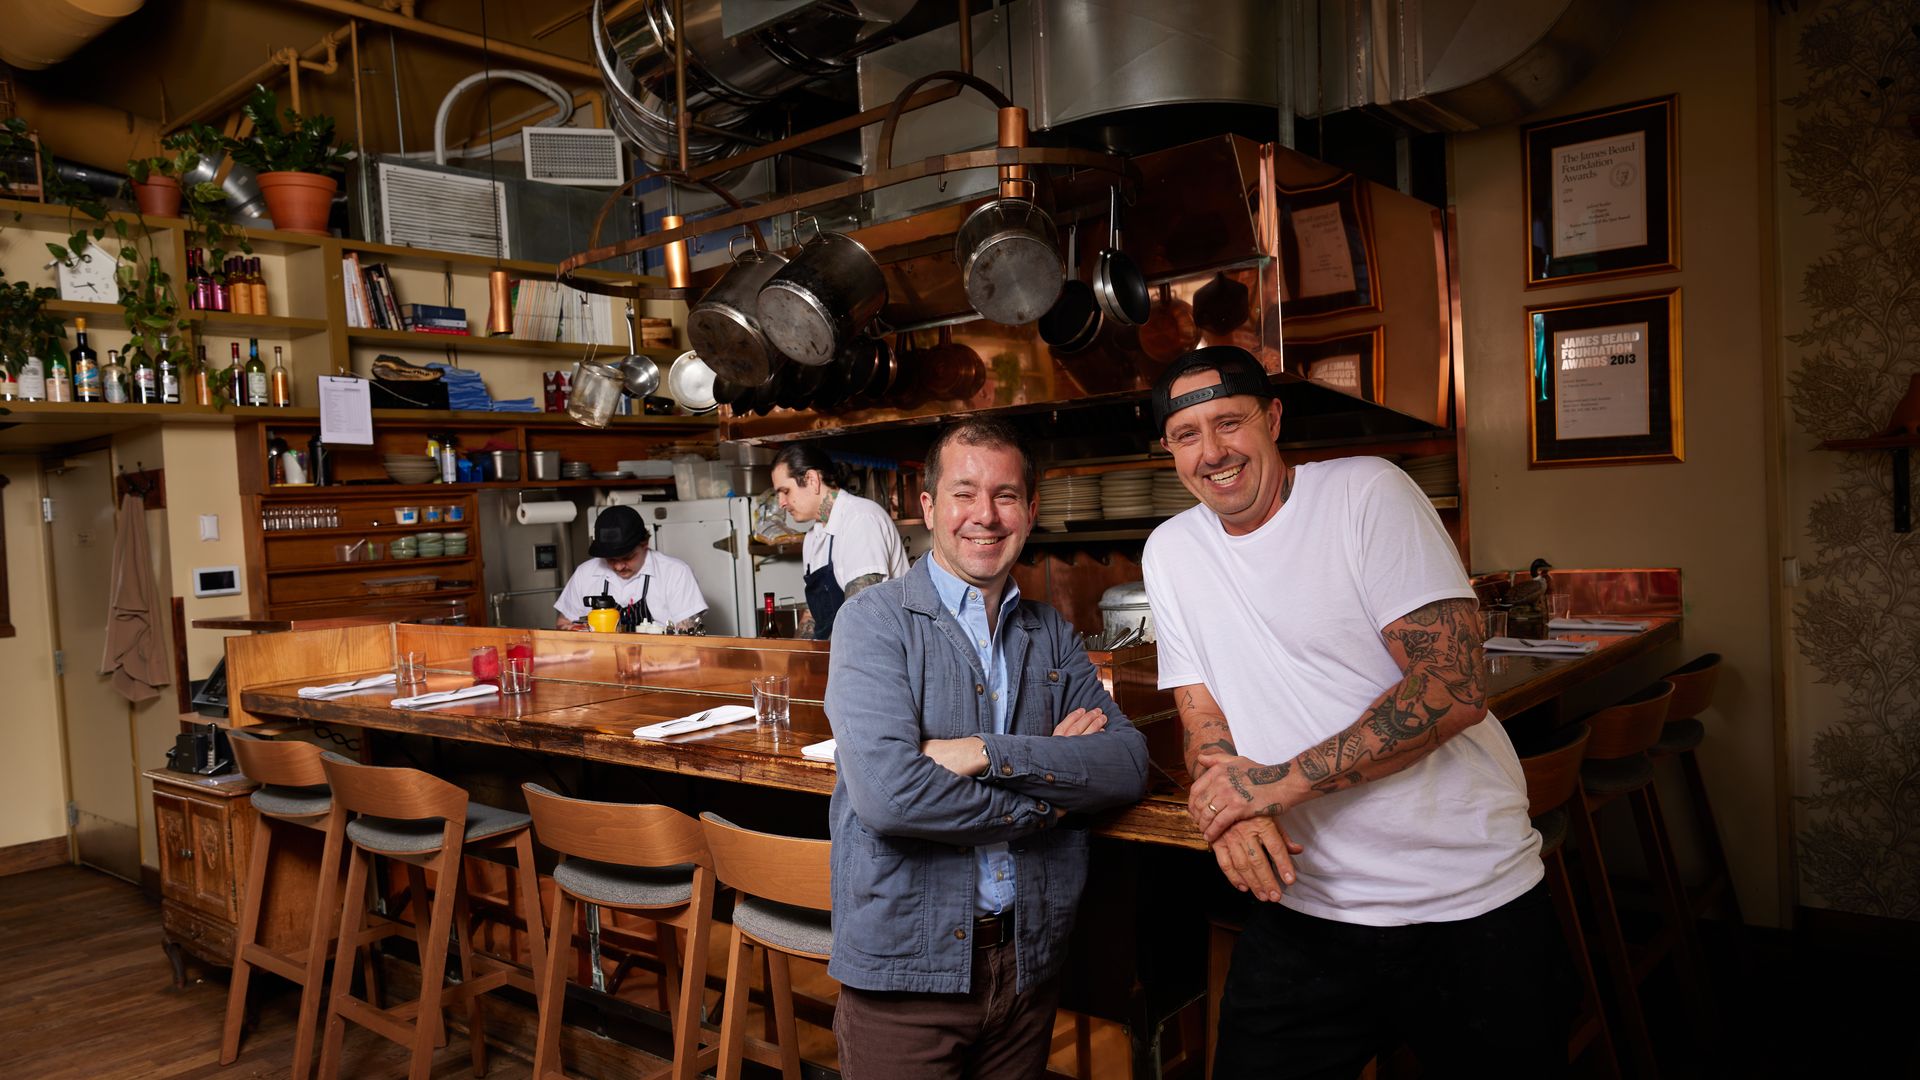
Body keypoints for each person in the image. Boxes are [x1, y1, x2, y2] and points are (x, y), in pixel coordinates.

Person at [1139, 347, 1573, 1078]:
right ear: (1169, 451)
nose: (1211, 452)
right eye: (1187, 435)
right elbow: (1200, 708)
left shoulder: (1368, 493)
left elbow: (1453, 684)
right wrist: (1233, 803)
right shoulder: (1171, 551)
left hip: (1467, 903)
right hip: (1307, 911)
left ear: (1273, 419)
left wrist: (1273, 785)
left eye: (1228, 423)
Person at [825, 418, 1149, 1080]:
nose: (985, 515)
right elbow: (892, 797)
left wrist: (984, 752)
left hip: (1028, 963)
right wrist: (1054, 805)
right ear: (928, 507)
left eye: (1006, 496)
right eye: (964, 492)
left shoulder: (1050, 632)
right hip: (907, 976)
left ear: (1030, 512)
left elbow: (1127, 763)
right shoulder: (873, 621)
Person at [770, 443, 911, 640]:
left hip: (880, 657)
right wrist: (795, 660)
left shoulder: (860, 519)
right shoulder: (813, 538)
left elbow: (862, 618)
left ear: (811, 480)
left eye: (785, 491)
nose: (781, 503)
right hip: (838, 657)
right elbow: (814, 615)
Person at [552, 505, 707, 631]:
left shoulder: (675, 573)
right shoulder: (585, 574)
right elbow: (563, 623)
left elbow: (688, 634)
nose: (619, 566)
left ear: (645, 544)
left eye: (627, 557)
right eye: (611, 559)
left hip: (662, 663)